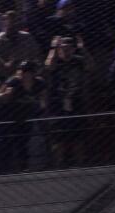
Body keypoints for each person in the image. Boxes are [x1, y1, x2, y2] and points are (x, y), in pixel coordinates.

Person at [45, 33, 89, 165]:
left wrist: (83, 48)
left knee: (78, 137)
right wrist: (53, 48)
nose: (66, 51)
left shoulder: (78, 60)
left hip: (75, 101)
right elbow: (48, 66)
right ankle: (58, 165)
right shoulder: (56, 61)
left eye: (69, 48)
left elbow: (91, 66)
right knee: (58, 137)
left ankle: (79, 164)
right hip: (57, 103)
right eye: (63, 48)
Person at [0, 59, 44, 172]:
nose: (24, 74)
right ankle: (7, 169)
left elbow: (43, 99)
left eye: (28, 72)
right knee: (9, 143)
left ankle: (23, 167)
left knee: (23, 142)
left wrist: (41, 106)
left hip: (26, 116)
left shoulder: (38, 83)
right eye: (23, 71)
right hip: (10, 117)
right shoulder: (14, 82)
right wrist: (6, 95)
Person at [0, 11, 41, 77]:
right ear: (4, 25)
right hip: (6, 75)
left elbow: (37, 55)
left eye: (14, 22)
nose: (12, 25)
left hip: (27, 72)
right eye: (9, 24)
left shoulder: (27, 37)